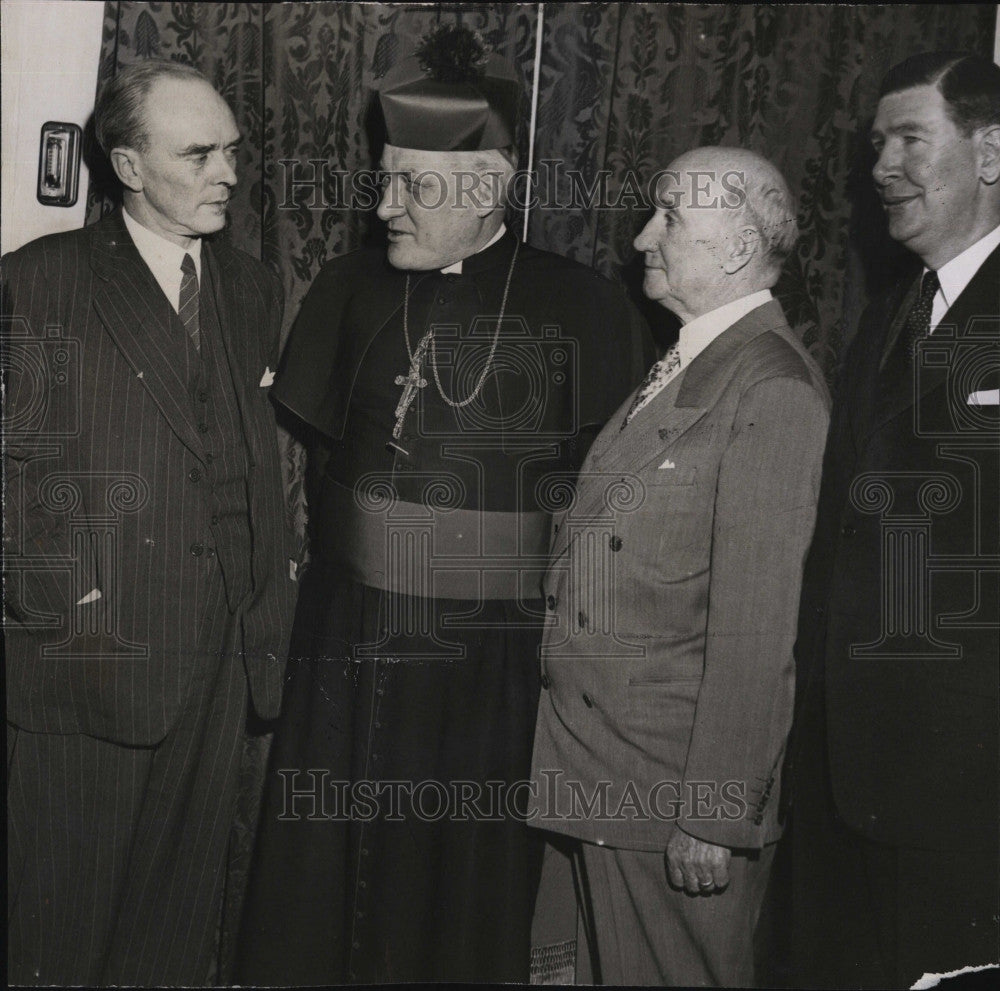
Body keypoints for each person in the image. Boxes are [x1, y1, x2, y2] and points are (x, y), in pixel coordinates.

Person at [236, 24, 651, 985]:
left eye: (413, 186)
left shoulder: (584, 306)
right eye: (384, 178)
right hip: (344, 636)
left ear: (490, 190)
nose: (383, 206)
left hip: (487, 657)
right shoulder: (346, 288)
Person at [3, 60, 295, 986]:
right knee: (63, 924)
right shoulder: (43, 281)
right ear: (128, 166)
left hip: (220, 655)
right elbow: (14, 477)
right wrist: (75, 602)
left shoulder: (251, 287)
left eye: (233, 152)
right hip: (95, 652)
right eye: (199, 153)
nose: (229, 174)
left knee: (172, 927)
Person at [529, 147, 831, 987]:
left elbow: (757, 622)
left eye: (669, 217)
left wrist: (716, 811)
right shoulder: (693, 364)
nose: (639, 239)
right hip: (599, 771)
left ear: (736, 247)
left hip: (668, 801)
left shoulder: (770, 387)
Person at [783, 51, 1000, 989]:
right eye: (877, 143)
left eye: (912, 138)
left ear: (991, 154)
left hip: (971, 784)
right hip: (853, 776)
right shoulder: (886, 318)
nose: (882, 166)